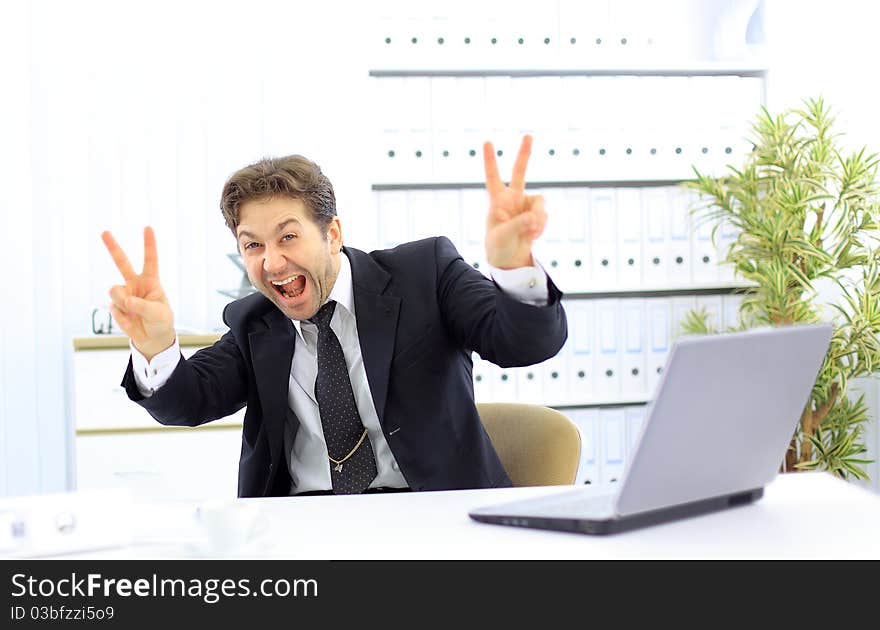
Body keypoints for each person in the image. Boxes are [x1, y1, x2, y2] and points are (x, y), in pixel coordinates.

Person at [102, 134, 568, 498]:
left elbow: (524, 344)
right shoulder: (254, 322)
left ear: (332, 235)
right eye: (253, 245)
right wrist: (156, 346)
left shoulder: (425, 274)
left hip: (433, 517)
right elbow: (187, 402)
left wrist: (513, 270)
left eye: (288, 237)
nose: (272, 263)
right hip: (308, 526)